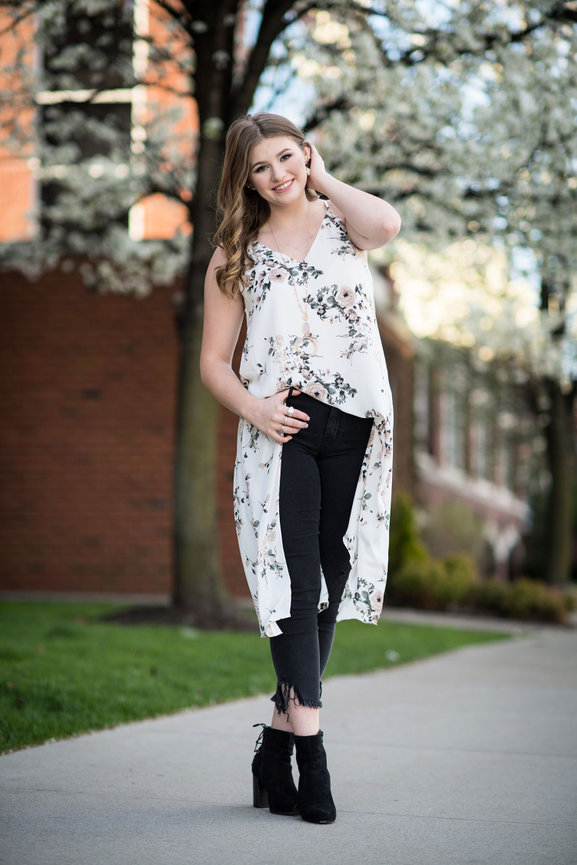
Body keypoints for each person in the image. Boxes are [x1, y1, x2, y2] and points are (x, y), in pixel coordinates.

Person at [200, 113, 401, 824]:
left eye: (286, 157)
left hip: (354, 426)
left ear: (305, 154)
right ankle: (310, 756)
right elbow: (212, 363)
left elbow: (386, 225)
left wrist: (324, 178)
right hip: (282, 428)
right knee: (295, 579)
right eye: (260, 167)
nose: (277, 174)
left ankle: (272, 746)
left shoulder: (342, 220)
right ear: (244, 179)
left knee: (330, 577)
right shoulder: (236, 251)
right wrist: (254, 411)